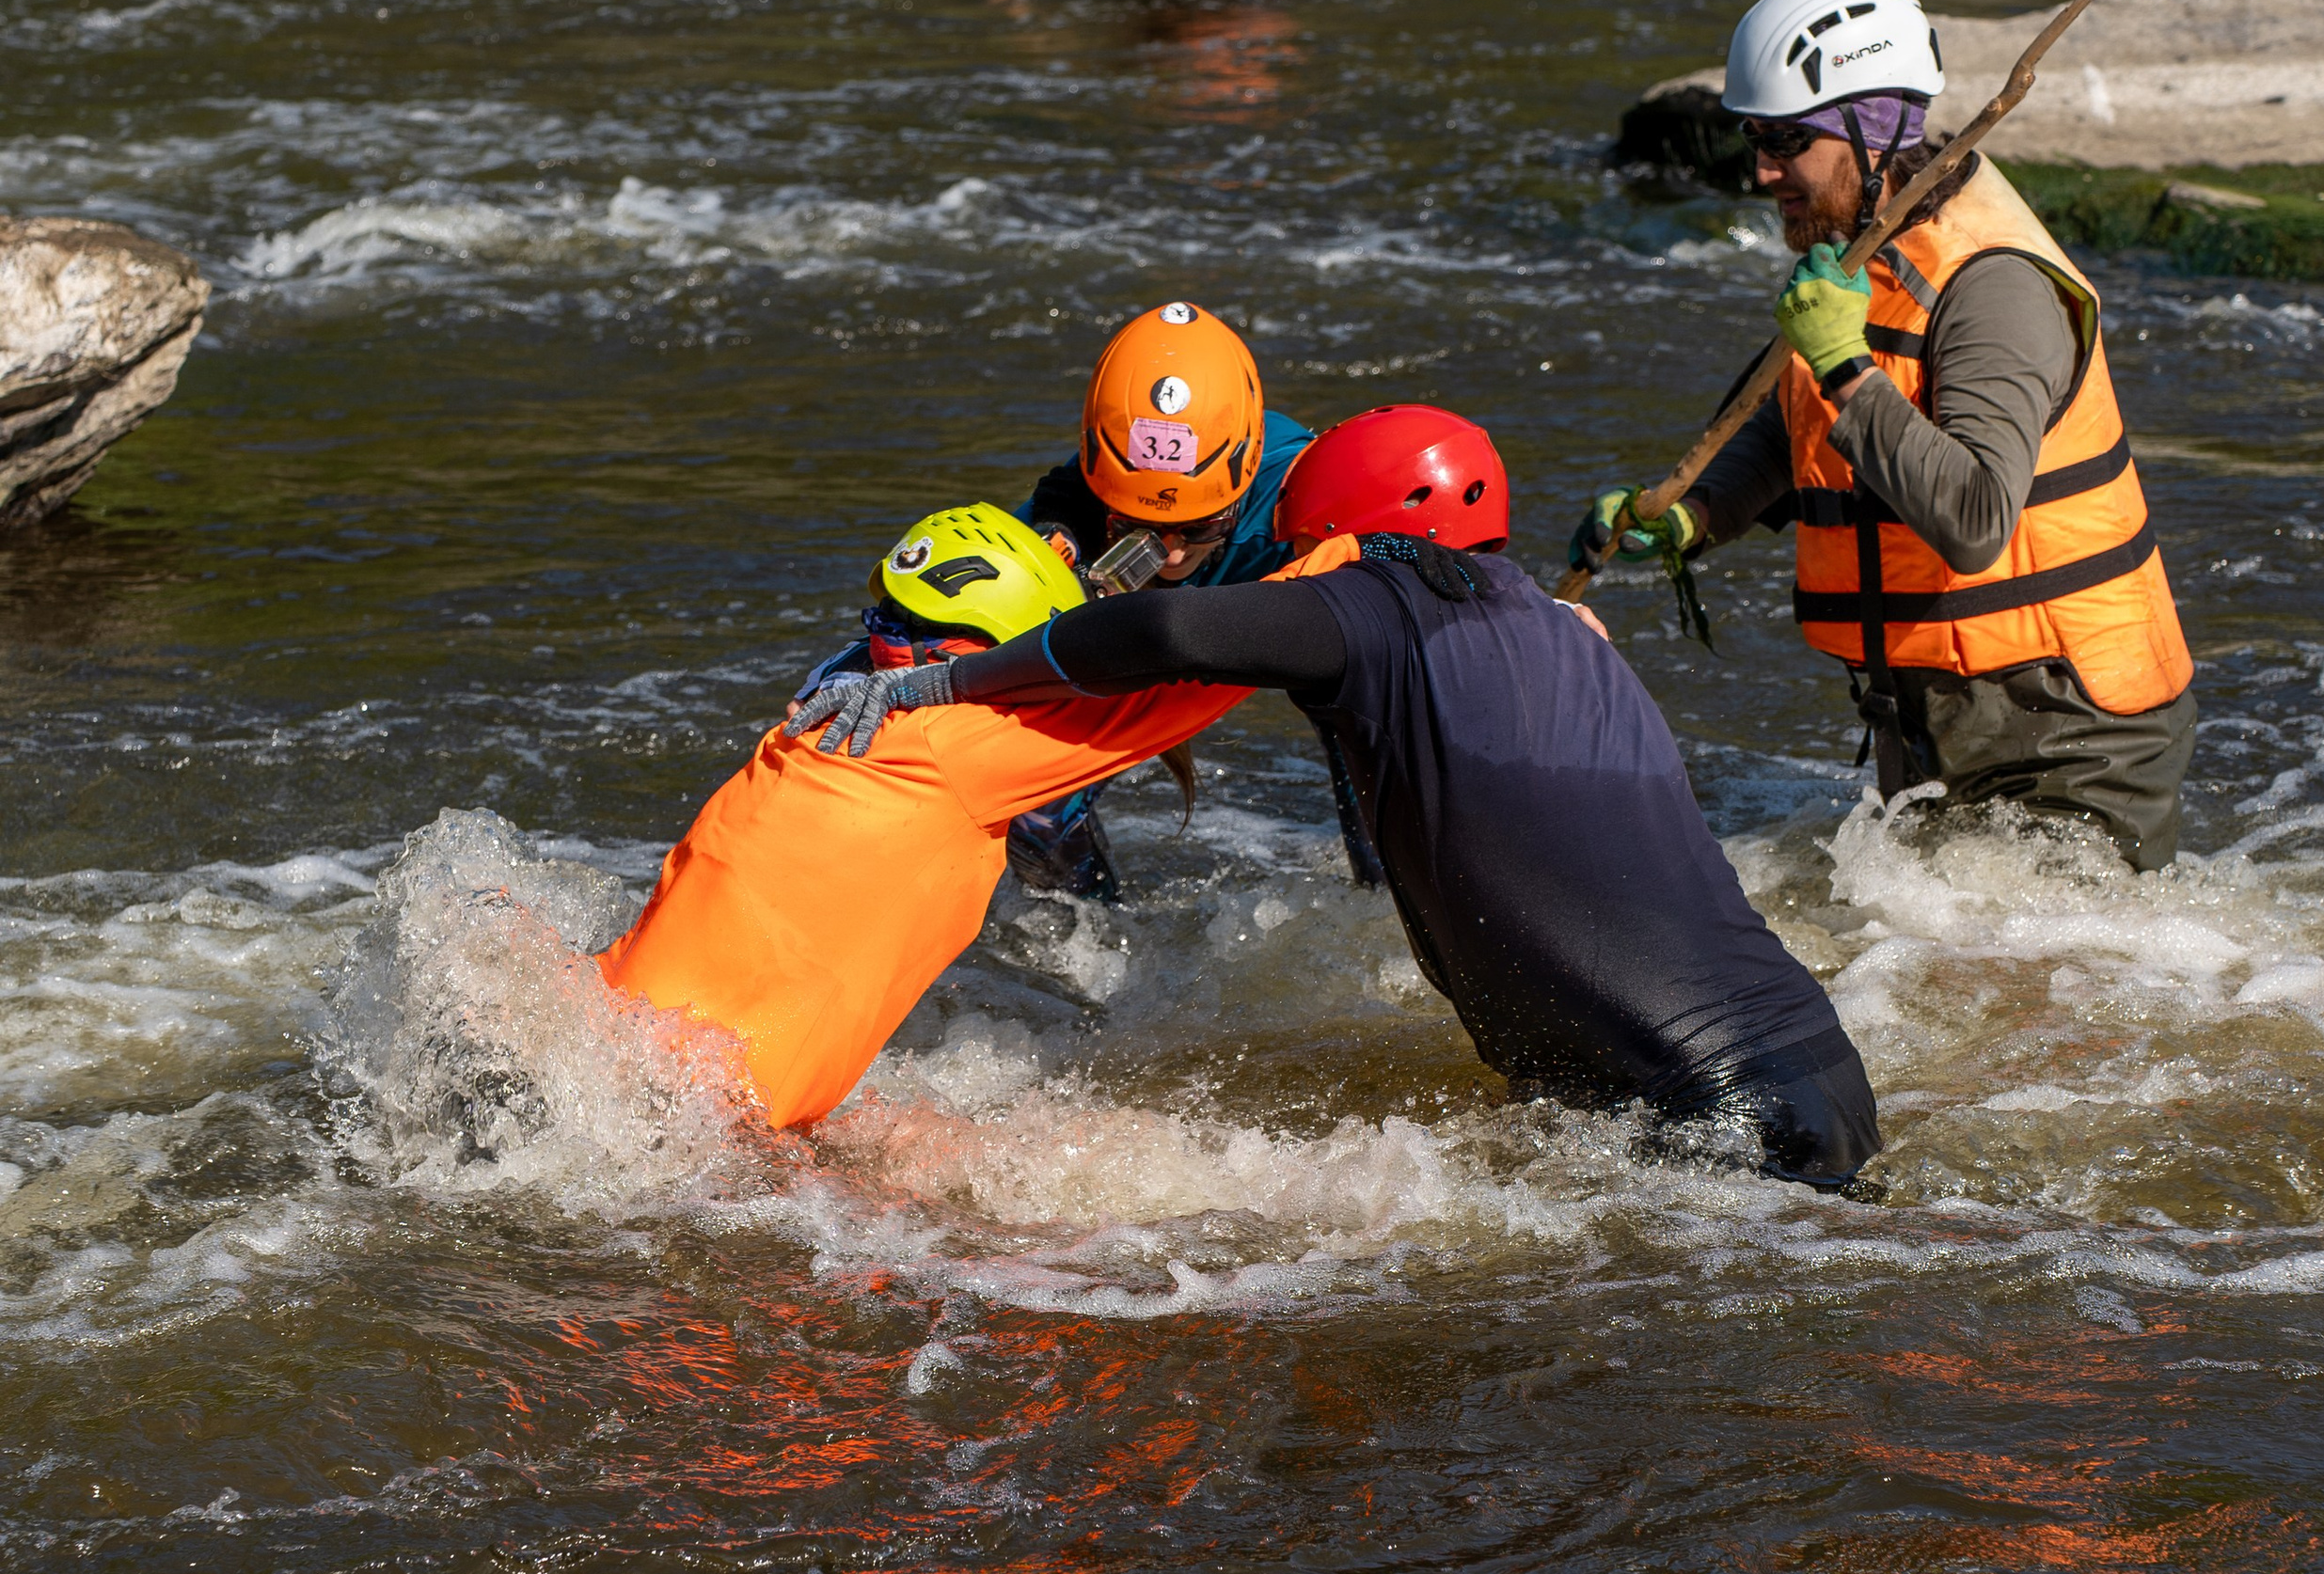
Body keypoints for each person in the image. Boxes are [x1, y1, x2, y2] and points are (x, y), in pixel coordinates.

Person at [794, 408, 1882, 1188]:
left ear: (1343, 540)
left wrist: (940, 678)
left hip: (1708, 1119)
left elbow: (1165, 630)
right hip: (1812, 1072)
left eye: (1308, 556)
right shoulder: (1567, 634)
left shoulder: (1374, 600)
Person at [1572, 0, 2197, 874]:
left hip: (2069, 735)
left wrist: (1845, 366)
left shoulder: (1993, 286)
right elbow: (1791, 429)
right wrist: (1693, 514)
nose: (1762, 170)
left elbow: (1978, 517)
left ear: (1876, 131)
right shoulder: (1861, 254)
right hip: (1935, 716)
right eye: (1754, 138)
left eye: (1788, 140)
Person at [598, 502, 1273, 1129]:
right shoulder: (968, 743)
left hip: (602, 1040)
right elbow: (1215, 657)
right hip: (712, 1128)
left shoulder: (827, 703)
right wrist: (1364, 555)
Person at [1016, 296, 1383, 893]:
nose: (1174, 555)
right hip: (1139, 632)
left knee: (1385, 795)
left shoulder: (1312, 492)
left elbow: (1438, 586)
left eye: (1202, 527)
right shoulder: (1063, 522)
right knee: (1035, 817)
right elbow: (936, 627)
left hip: (1292, 618)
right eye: (1137, 528)